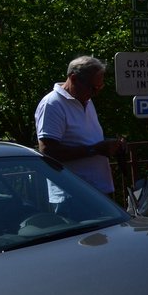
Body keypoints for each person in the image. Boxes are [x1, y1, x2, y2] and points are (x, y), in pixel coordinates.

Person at [35, 56, 125, 197]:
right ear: (74, 78)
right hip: (72, 195)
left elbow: (85, 141)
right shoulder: (52, 104)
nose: (96, 93)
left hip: (98, 191)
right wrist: (95, 149)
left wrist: (110, 145)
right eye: (93, 87)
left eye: (100, 87)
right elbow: (48, 151)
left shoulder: (86, 100)